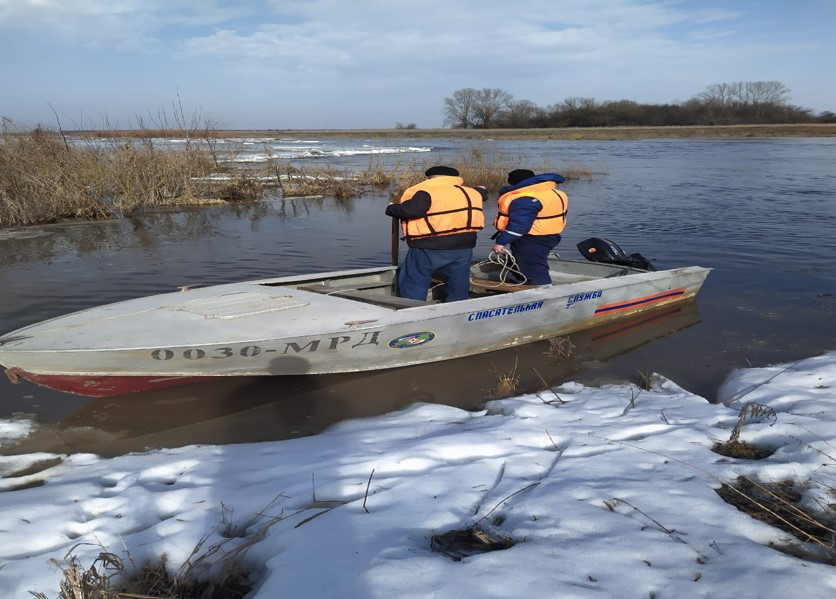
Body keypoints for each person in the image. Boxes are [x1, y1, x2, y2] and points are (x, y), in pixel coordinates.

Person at [385, 166, 486, 302]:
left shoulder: (427, 191)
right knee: (458, 279)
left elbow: (410, 211)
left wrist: (391, 207)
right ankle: (458, 305)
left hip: (430, 245)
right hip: (464, 246)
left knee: (415, 279)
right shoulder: (473, 193)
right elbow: (483, 193)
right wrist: (481, 188)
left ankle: (412, 309)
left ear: (431, 178)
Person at [492, 168, 568, 285]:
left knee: (533, 267)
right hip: (551, 235)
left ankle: (542, 294)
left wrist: (501, 242)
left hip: (532, 238)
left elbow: (519, 226)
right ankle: (521, 282)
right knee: (526, 262)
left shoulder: (525, 199)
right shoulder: (555, 193)